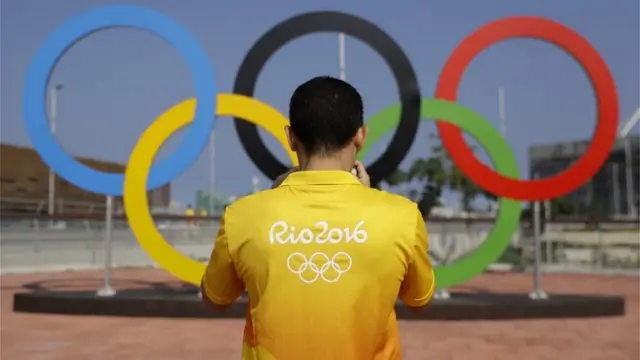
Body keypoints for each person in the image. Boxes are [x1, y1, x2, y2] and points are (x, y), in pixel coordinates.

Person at [201, 76, 435, 360]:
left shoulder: (242, 216)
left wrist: (271, 197)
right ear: (361, 135)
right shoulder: (402, 217)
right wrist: (369, 203)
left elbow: (214, 299)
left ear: (290, 137)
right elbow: (419, 301)